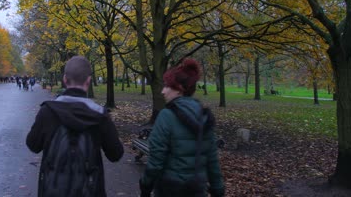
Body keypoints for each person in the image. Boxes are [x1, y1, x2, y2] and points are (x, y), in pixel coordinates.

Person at [26, 55, 124, 197]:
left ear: (65, 79)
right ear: (89, 81)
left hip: (52, 190)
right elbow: (116, 154)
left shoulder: (47, 111)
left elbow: (32, 145)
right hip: (90, 190)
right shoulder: (100, 116)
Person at [139, 58, 225, 197]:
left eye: (167, 86)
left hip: (169, 190)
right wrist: (218, 190)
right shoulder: (204, 116)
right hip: (197, 189)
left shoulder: (166, 116)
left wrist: (145, 186)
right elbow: (212, 160)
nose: (163, 91)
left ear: (179, 89)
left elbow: (155, 160)